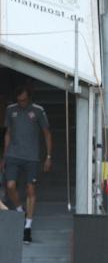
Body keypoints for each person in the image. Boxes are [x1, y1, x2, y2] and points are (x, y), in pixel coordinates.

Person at [2, 86, 51, 244]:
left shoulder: (38, 111)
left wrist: (48, 156)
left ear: (29, 98)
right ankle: (19, 210)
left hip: (31, 157)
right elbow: (8, 133)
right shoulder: (11, 110)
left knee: (31, 189)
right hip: (13, 155)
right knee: (10, 186)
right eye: (19, 100)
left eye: (23, 100)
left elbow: (47, 133)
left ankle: (27, 227)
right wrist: (4, 155)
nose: (21, 103)